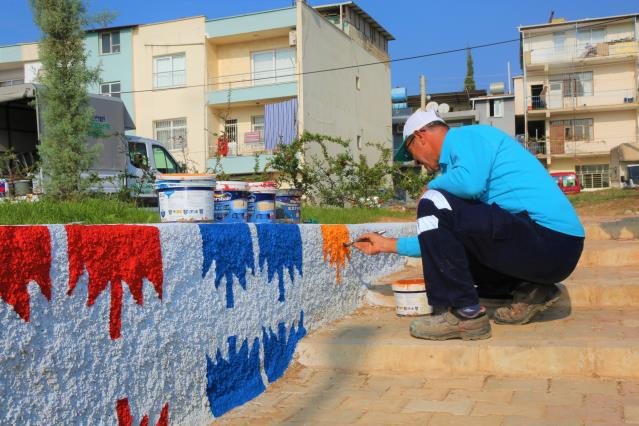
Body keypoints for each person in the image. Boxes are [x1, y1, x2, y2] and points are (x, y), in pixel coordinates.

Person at [353, 110, 584, 341]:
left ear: (420, 136)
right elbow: (440, 241)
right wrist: (386, 245)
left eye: (413, 153)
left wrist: (432, 187)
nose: (419, 163)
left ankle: (465, 314)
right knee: (454, 260)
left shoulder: (465, 138)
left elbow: (470, 184)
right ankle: (529, 289)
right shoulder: (459, 168)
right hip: (552, 251)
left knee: (432, 199)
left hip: (550, 240)